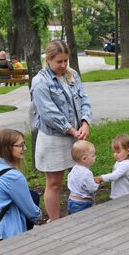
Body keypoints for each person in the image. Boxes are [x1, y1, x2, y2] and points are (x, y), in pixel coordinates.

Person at [30, 39, 92, 221]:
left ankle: (78, 214)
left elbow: (84, 99)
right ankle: (55, 221)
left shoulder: (72, 75)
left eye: (66, 60)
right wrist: (71, 130)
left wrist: (85, 122)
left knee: (78, 178)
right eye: (59, 61)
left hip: (75, 136)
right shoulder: (40, 81)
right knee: (55, 183)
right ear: (48, 59)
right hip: (54, 139)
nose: (63, 65)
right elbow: (49, 113)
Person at [0, 129, 42, 243]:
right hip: (4, 236)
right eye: (21, 145)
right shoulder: (13, 176)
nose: (25, 149)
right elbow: (32, 213)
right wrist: (40, 217)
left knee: (29, 195)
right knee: (33, 197)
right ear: (7, 148)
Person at [94, 134, 129, 200]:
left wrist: (101, 178)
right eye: (114, 152)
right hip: (119, 195)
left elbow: (115, 176)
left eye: (118, 152)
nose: (115, 155)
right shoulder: (120, 162)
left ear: (128, 151)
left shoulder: (125, 164)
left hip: (126, 195)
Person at [67, 140, 99, 215]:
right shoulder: (87, 173)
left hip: (72, 200)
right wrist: (97, 183)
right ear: (84, 159)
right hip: (83, 203)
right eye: (93, 155)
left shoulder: (74, 169)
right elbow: (92, 188)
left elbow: (70, 182)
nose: (95, 157)